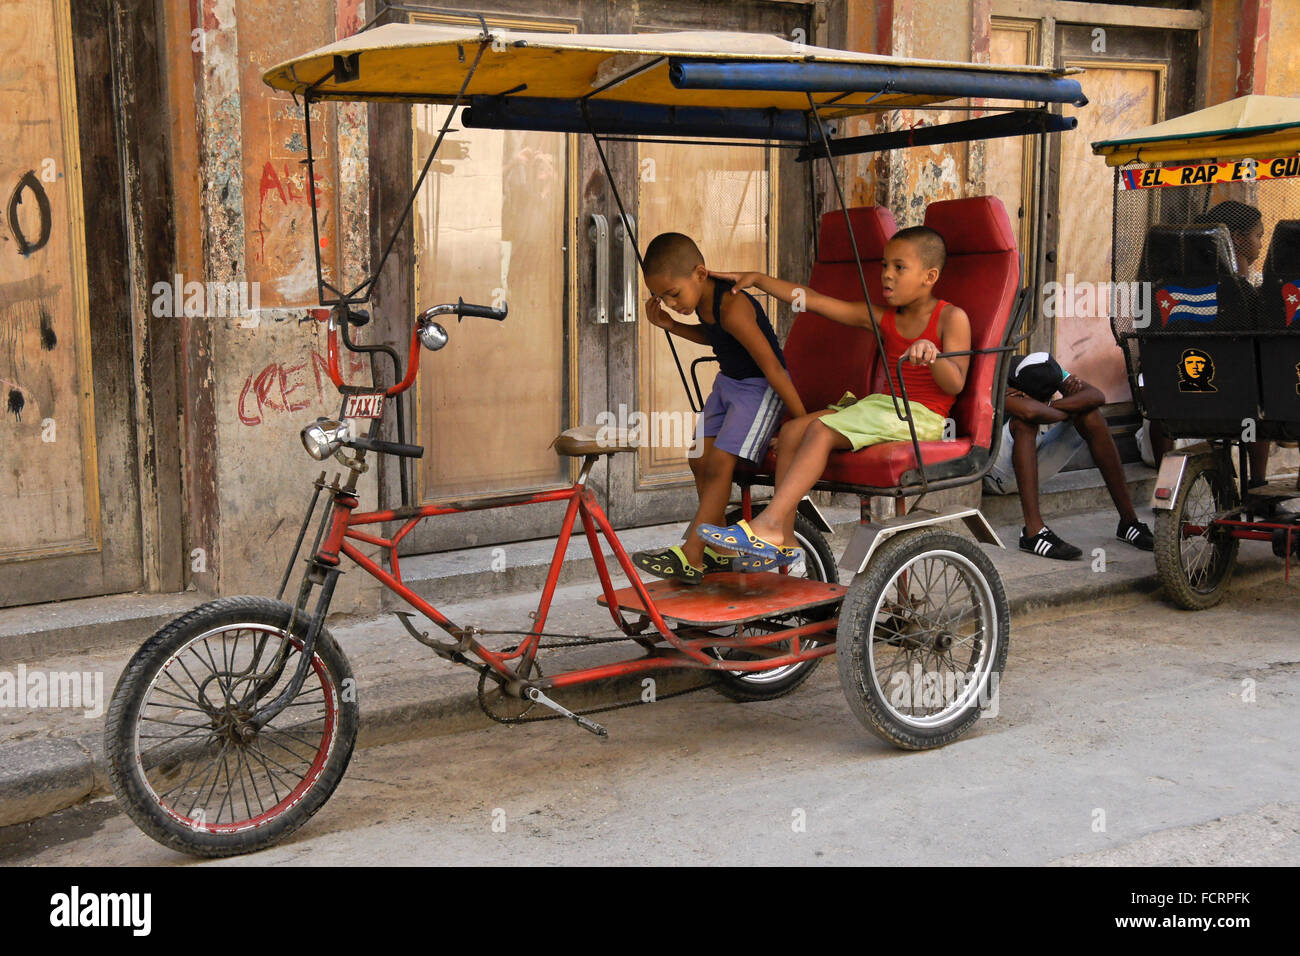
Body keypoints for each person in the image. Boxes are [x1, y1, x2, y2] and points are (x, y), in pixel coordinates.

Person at [695, 226, 970, 567]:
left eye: (899, 268)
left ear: (930, 276)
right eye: (884, 266)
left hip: (921, 417)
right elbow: (816, 302)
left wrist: (934, 355)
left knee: (820, 430)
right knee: (794, 430)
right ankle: (786, 539)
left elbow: (955, 383)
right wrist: (759, 280)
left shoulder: (951, 317)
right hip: (883, 407)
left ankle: (767, 524)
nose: (886, 275)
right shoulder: (884, 318)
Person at [631, 232, 805, 585]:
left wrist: (800, 420)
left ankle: (692, 553)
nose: (670, 303)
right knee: (698, 457)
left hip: (758, 389)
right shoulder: (702, 302)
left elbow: (772, 367)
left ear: (699, 273)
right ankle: (719, 546)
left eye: (673, 294)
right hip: (727, 384)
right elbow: (716, 338)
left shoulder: (732, 306)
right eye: (661, 297)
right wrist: (672, 325)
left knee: (721, 463)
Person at [984, 351, 1154, 560]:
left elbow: (1097, 396)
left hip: (1030, 461)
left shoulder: (1046, 366)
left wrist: (1048, 407)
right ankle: (1033, 532)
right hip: (995, 473)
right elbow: (1030, 413)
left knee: (1091, 415)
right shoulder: (999, 378)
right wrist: (1070, 405)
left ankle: (1129, 523)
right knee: (1024, 422)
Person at [1147, 200, 1270, 484]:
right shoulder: (1242, 293)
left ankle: (1161, 478)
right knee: (1264, 392)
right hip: (1231, 399)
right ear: (1238, 238)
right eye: (1258, 235)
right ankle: (1258, 482)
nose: (1261, 244)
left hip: (1174, 396)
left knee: (1156, 391)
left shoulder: (1163, 289)